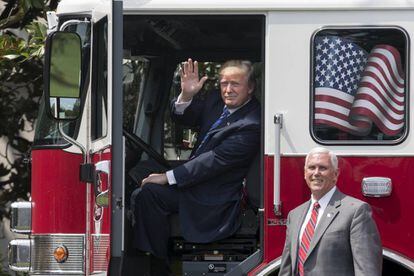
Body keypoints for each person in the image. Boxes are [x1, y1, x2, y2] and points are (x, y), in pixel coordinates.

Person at [131, 58, 261, 274]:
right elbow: (183, 117)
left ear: (251, 87)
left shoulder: (251, 123)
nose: (228, 90)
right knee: (145, 170)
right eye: (224, 84)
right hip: (195, 183)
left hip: (213, 195)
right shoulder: (216, 102)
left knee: (148, 194)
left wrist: (167, 177)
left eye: (235, 84)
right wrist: (187, 96)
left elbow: (212, 162)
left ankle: (155, 265)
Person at [278, 147, 382, 276]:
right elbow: (286, 269)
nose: (316, 173)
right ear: (305, 173)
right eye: (311, 168)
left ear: (335, 174)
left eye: (323, 168)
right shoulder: (294, 215)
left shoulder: (356, 211)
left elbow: (367, 271)